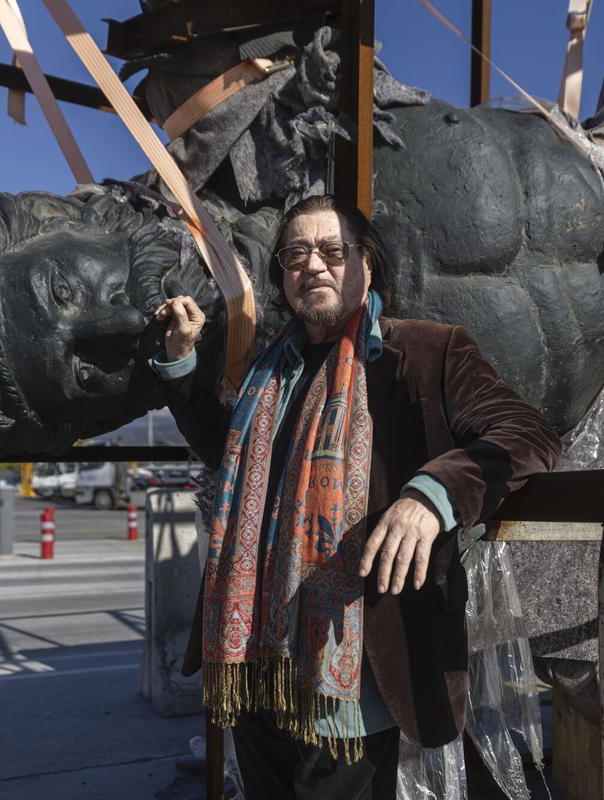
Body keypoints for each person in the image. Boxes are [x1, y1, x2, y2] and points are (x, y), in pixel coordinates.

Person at [150, 194, 561, 799]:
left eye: (331, 251)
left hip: (356, 665)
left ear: (368, 265)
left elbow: (527, 435)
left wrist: (432, 494)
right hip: (259, 660)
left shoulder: (426, 352)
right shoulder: (271, 370)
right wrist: (182, 360)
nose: (312, 266)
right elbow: (229, 454)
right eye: (294, 255)